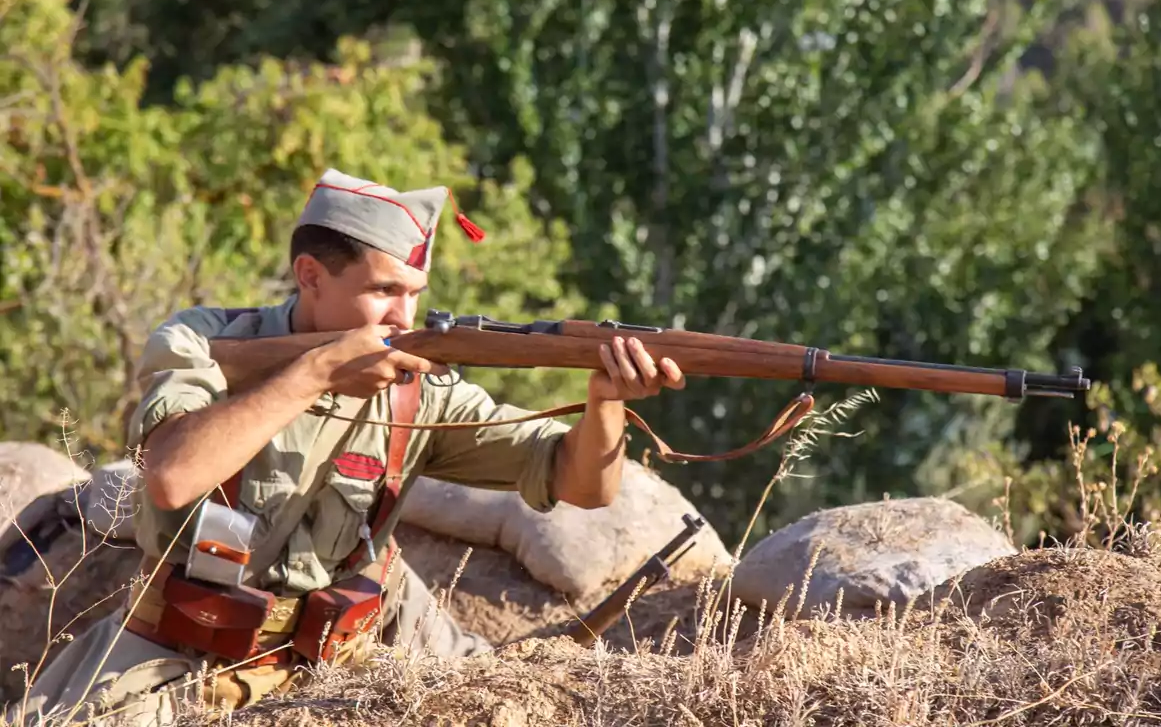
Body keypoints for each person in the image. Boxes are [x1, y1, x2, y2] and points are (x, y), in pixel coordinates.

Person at [8, 169, 685, 726]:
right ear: (310, 276)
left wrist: (606, 402)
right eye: (384, 292)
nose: (404, 318)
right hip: (179, 660)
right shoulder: (202, 342)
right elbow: (172, 477)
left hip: (348, 657)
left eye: (414, 296)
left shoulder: (419, 390)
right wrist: (316, 373)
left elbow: (584, 486)